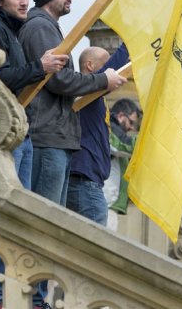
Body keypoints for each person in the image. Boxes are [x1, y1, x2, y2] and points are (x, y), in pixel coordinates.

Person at [18, 0, 127, 308]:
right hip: (47, 138)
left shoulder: (48, 27)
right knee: (44, 223)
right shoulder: (39, 26)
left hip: (58, 140)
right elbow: (59, 81)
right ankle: (34, 298)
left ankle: (39, 296)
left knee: (52, 226)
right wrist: (101, 82)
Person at [0, 0, 68, 309]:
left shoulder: (12, 31)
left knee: (19, 217)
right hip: (6, 134)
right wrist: (38, 67)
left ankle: (9, 294)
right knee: (1, 212)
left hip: (21, 133)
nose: (24, 1)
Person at [66, 45, 129, 226]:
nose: (112, 69)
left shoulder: (96, 97)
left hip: (89, 181)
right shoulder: (87, 92)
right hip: (85, 182)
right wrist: (131, 42)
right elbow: (116, 66)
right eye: (105, 63)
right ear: (90, 66)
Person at [106, 98, 141, 216]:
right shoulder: (111, 128)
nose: (131, 128)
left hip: (108, 201)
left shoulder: (113, 130)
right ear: (121, 116)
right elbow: (125, 145)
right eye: (131, 122)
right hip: (106, 200)